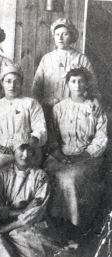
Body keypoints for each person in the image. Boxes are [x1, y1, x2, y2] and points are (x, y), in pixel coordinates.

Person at [44, 66, 108, 240]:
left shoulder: (94, 108)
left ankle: (75, 227)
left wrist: (83, 155)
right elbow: (51, 135)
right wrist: (58, 153)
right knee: (46, 173)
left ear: (87, 84)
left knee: (70, 177)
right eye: (73, 81)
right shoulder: (59, 108)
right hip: (61, 154)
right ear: (67, 84)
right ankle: (52, 223)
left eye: (81, 81)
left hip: (87, 156)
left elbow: (101, 138)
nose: (77, 85)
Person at [0, 137, 65, 257]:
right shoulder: (2, 174)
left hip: (29, 224)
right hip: (3, 221)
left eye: (29, 151)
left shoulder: (40, 176)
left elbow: (35, 212)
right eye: (20, 149)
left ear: (33, 153)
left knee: (25, 241)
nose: (24, 155)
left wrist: (5, 229)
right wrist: (22, 210)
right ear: (14, 150)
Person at [0, 63, 47, 172]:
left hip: (26, 150)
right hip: (0, 149)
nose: (12, 86)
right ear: (2, 83)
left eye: (16, 82)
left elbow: (40, 131)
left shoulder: (31, 103)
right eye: (8, 81)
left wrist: (27, 144)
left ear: (21, 83)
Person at [31, 18, 100, 123]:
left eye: (65, 34)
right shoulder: (47, 59)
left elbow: (92, 85)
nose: (60, 38)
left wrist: (95, 99)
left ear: (71, 36)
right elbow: (36, 87)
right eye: (57, 34)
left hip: (74, 111)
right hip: (49, 110)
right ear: (54, 36)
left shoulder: (81, 59)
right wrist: (41, 103)